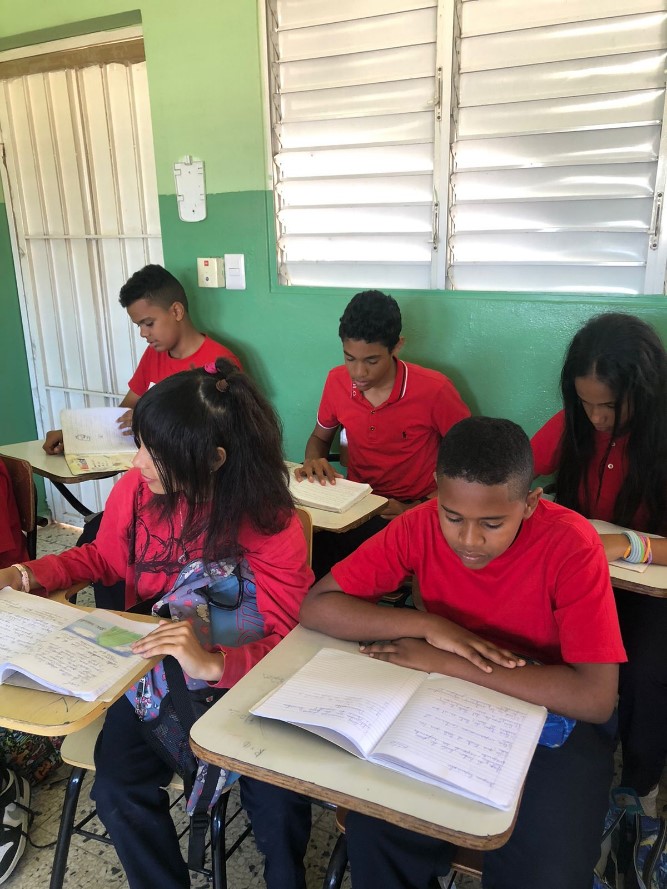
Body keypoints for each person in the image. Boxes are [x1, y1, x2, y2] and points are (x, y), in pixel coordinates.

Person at [0, 359, 314, 889]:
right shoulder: (138, 490)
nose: (137, 461)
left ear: (214, 459)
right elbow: (103, 559)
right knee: (117, 791)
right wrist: (23, 575)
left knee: (279, 796)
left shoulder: (269, 522)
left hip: (246, 680)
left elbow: (288, 643)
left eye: (154, 453)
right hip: (153, 673)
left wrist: (213, 664)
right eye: (141, 444)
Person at [299, 416, 625, 889]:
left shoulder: (572, 545)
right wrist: (430, 626)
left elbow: (595, 698)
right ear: (437, 490)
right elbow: (318, 606)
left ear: (531, 503)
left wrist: (449, 663)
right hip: (449, 704)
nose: (468, 541)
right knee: (376, 830)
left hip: (553, 712)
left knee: (547, 871)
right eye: (453, 517)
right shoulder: (419, 525)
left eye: (492, 523)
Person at [531, 312, 667, 816]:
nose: (595, 418)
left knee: (645, 673)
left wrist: (627, 544)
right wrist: (515, 496)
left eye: (607, 406)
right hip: (585, 578)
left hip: (650, 590)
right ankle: (552, 761)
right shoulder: (576, 423)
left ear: (644, 391)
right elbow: (519, 466)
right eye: (584, 403)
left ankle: (639, 788)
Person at [294, 289, 470, 577]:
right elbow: (319, 438)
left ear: (397, 346)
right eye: (349, 358)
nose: (358, 372)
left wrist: (418, 507)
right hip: (355, 506)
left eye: (372, 361)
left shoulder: (434, 389)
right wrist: (313, 460)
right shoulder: (336, 381)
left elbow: (471, 464)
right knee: (301, 548)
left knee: (333, 568)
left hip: (413, 509)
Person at [42, 263, 242, 454]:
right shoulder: (154, 354)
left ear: (176, 311)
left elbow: (223, 434)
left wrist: (145, 422)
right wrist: (73, 436)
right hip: (151, 464)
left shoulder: (220, 362)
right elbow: (125, 411)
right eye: (139, 325)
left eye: (149, 323)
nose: (143, 333)